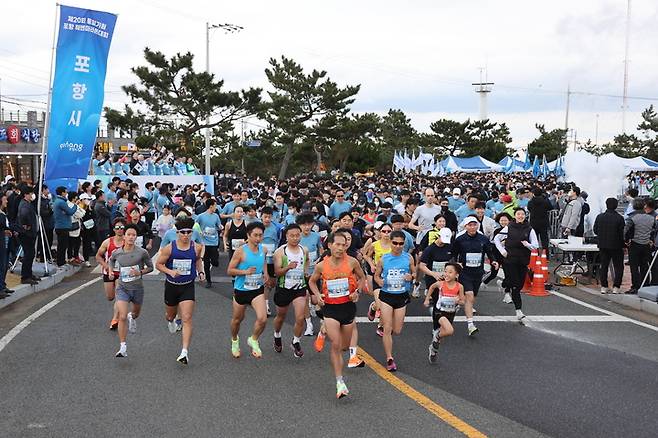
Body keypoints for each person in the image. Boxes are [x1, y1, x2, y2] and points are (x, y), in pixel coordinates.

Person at [308, 232, 366, 399]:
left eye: (343, 245)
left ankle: (323, 330)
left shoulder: (352, 262)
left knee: (344, 347)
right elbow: (312, 281)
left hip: (347, 307)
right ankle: (340, 382)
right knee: (336, 344)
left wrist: (357, 291)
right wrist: (318, 295)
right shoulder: (321, 265)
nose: (341, 248)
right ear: (329, 245)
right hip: (331, 309)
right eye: (337, 244)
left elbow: (362, 278)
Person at [156, 217, 205, 364]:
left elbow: (197, 260)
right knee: (170, 316)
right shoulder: (170, 248)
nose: (186, 235)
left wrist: (200, 272)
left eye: (189, 232)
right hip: (171, 285)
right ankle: (171, 320)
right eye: (182, 232)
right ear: (177, 233)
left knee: (187, 317)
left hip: (187, 285)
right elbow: (158, 264)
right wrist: (170, 272)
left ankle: (184, 352)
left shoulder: (196, 247)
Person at [108, 224, 153, 358]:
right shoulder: (117, 252)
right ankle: (123, 346)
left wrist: (139, 272)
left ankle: (131, 316)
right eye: (129, 234)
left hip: (137, 288)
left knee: (135, 313)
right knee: (121, 316)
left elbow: (150, 267)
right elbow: (111, 260)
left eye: (134, 235)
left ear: (136, 237)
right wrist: (111, 271)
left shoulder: (142, 252)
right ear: (124, 236)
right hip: (122, 288)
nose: (131, 237)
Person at [227, 222, 271, 359]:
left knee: (263, 319)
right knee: (237, 320)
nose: (258, 238)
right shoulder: (241, 251)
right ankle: (234, 340)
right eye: (255, 235)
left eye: (260, 235)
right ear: (248, 235)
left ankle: (254, 339)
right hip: (241, 290)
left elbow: (263, 262)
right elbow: (229, 270)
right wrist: (244, 271)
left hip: (256, 289)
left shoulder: (263, 250)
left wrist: (266, 273)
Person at [374, 230, 414, 372]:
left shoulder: (408, 258)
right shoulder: (384, 259)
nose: (397, 246)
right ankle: (389, 358)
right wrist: (380, 281)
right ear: (390, 242)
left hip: (401, 295)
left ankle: (373, 307)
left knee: (397, 330)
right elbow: (376, 276)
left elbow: (414, 273)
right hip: (387, 295)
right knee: (387, 328)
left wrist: (411, 276)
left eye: (401, 244)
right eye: (395, 243)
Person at [452, 216, 499, 336]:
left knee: (472, 298)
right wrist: (456, 263)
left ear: (477, 226)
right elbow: (454, 254)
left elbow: (489, 252)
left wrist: (493, 261)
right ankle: (470, 324)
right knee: (470, 295)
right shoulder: (460, 239)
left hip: (478, 272)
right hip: (464, 272)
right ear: (465, 226)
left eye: (474, 225)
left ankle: (458, 302)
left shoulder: (483, 239)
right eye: (470, 225)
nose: (472, 227)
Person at [494, 208, 539, 321]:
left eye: (522, 214)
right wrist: (503, 251)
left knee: (519, 284)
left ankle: (503, 284)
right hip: (510, 259)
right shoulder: (509, 227)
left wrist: (527, 245)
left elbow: (535, 245)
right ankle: (518, 311)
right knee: (515, 286)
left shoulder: (529, 229)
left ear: (525, 216)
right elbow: (496, 239)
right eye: (518, 214)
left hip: (523, 260)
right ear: (515, 216)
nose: (520, 216)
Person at [272, 224, 309, 358]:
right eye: (292, 236)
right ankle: (277, 335)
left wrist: (305, 271)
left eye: (297, 235)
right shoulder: (280, 252)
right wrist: (288, 267)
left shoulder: (304, 250)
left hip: (299, 288)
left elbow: (307, 262)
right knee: (281, 316)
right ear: (286, 236)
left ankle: (296, 341)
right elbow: (277, 272)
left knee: (300, 317)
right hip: (283, 288)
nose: (295, 238)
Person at [423, 263, 465, 363]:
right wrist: (427, 299)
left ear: (456, 275)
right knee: (450, 330)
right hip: (439, 312)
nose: (446, 274)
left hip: (450, 313)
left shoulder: (460, 287)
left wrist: (458, 301)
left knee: (443, 335)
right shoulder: (441, 284)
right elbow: (432, 287)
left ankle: (433, 350)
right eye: (445, 271)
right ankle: (436, 336)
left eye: (450, 272)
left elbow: (463, 301)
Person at [95, 218, 126, 330]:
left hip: (121, 273)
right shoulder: (108, 242)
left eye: (122, 228)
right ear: (113, 229)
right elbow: (98, 256)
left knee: (119, 296)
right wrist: (107, 266)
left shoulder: (127, 242)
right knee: (110, 297)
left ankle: (115, 319)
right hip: (108, 272)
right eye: (117, 227)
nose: (119, 230)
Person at [593, 198, 626, 294]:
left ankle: (604, 286)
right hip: (616, 245)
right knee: (618, 267)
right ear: (616, 206)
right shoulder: (619, 218)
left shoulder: (600, 217)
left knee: (604, 265)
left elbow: (595, 230)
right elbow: (621, 234)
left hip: (603, 244)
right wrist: (624, 245)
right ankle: (616, 287)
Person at [624, 198, 656, 294]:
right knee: (644, 266)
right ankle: (645, 285)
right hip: (646, 245)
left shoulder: (632, 218)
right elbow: (655, 230)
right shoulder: (651, 218)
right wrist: (651, 240)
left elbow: (624, 231)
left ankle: (635, 286)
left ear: (634, 206)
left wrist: (625, 241)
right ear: (643, 206)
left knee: (634, 267)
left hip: (634, 244)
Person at [196, 199, 223, 288]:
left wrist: (220, 227)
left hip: (214, 241)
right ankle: (209, 280)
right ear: (211, 206)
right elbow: (195, 226)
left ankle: (214, 261)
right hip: (204, 242)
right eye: (215, 205)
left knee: (215, 261)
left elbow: (219, 225)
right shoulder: (201, 216)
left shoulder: (216, 216)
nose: (216, 207)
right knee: (206, 263)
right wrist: (199, 232)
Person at [17, 187, 39, 285]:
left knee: (30, 254)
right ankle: (25, 276)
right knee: (28, 255)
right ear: (26, 194)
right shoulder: (24, 205)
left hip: (29, 233)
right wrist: (28, 226)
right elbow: (24, 215)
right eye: (30, 193)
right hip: (26, 234)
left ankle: (29, 274)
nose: (32, 195)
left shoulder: (27, 204)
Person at [53, 186, 78, 267]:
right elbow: (70, 212)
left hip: (60, 226)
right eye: (66, 192)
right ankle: (61, 262)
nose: (66, 194)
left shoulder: (57, 201)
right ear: (62, 193)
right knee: (62, 246)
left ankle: (61, 261)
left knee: (61, 245)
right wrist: (75, 205)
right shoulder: (61, 202)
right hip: (63, 226)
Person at [527, 188, 553, 252]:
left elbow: (529, 209)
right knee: (544, 240)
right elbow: (550, 207)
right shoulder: (545, 201)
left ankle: (535, 254)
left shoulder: (530, 202)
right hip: (543, 222)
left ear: (533, 194)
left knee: (534, 240)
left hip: (533, 222)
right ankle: (546, 255)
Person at [0, 194, 15, 298]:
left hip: (6, 242)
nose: (7, 202)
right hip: (1, 242)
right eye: (5, 200)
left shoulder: (3, 213)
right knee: (1, 266)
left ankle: (3, 285)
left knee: (5, 265)